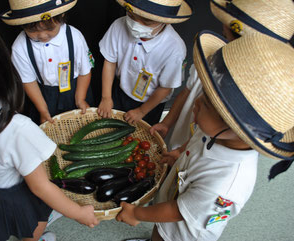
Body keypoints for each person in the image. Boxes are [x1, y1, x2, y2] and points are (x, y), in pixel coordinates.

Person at [0, 10, 99, 241]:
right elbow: (41, 187)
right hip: (13, 197)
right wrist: (79, 213)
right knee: (31, 229)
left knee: (4, 224)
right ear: (3, 67)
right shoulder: (17, 128)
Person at [116, 31, 294, 241]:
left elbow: (177, 212)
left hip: (185, 233)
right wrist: (181, 154)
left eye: (207, 104)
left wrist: (136, 214)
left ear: (237, 129)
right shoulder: (216, 132)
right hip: (174, 203)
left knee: (166, 235)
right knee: (160, 232)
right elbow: (196, 143)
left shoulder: (227, 184)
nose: (196, 103)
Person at [150, 0, 294, 165]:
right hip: (180, 140)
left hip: (197, 157)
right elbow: (187, 92)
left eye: (226, 34)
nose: (222, 31)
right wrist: (167, 123)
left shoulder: (254, 102)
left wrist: (184, 151)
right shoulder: (214, 58)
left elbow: (221, 136)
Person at [97, 0, 192, 126]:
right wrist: (106, 97)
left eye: (147, 21)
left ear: (165, 21)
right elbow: (110, 62)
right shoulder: (118, 26)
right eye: (132, 15)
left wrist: (142, 111)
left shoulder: (175, 49)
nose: (136, 23)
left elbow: (165, 88)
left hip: (150, 104)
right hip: (120, 91)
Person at [1, 0, 95, 125]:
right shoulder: (20, 47)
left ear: (61, 16)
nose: (43, 35)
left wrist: (80, 98)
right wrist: (42, 109)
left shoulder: (75, 37)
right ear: (22, 25)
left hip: (77, 90)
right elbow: (28, 81)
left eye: (50, 28)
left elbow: (85, 71)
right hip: (43, 97)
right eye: (33, 31)